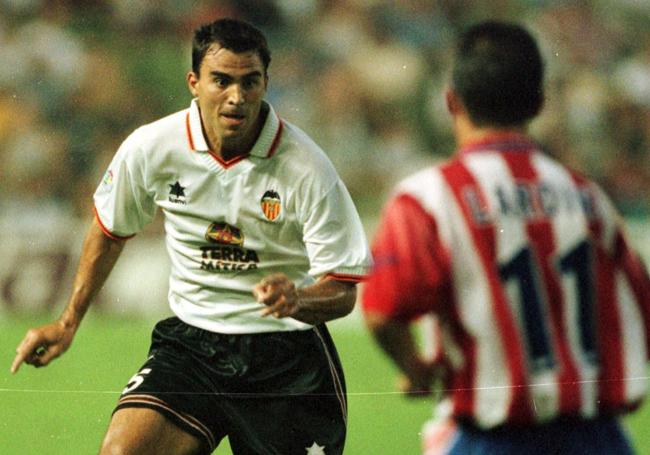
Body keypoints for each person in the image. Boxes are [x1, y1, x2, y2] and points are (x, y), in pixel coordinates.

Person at [11, 18, 370, 455]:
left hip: (286, 358)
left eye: (249, 82)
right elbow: (108, 232)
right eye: (221, 81)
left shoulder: (307, 168)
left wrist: (299, 299)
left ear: (265, 83)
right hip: (193, 347)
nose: (236, 97)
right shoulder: (152, 147)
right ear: (194, 82)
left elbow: (344, 289)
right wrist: (68, 321)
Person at [362, 20, 650, 455]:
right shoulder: (588, 198)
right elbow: (639, 307)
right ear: (538, 103)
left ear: (450, 101)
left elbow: (384, 308)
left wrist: (414, 368)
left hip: (490, 438)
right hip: (597, 437)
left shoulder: (429, 198)